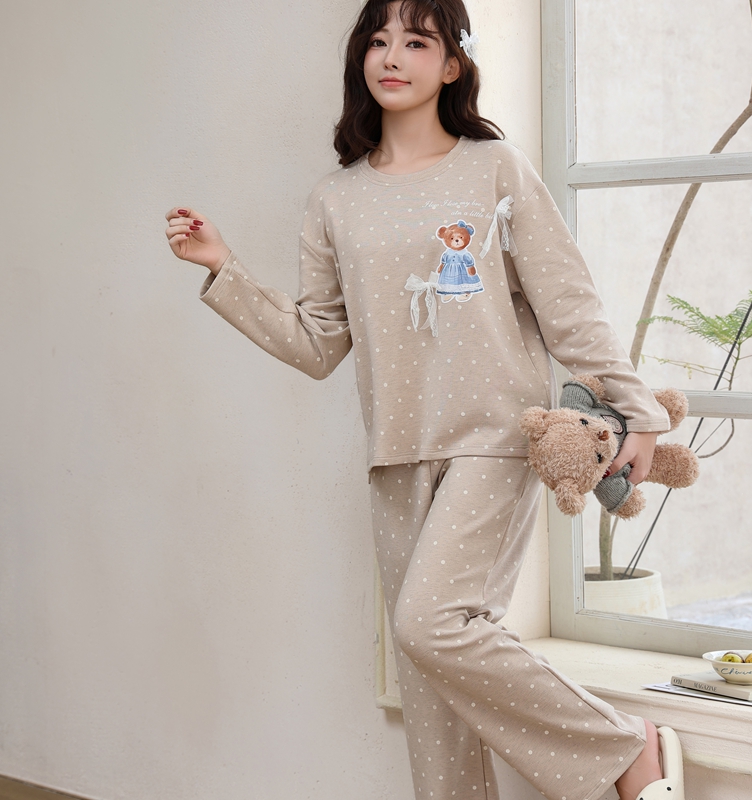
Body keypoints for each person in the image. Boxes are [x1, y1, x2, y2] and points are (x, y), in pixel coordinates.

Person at [164, 2, 685, 798]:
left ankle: (623, 748)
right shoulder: (335, 198)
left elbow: (567, 303)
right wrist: (223, 267)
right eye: (377, 41)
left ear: (452, 64)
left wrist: (638, 410)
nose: (391, 56)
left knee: (431, 623)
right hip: (397, 449)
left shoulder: (495, 169)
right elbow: (317, 344)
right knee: (430, 683)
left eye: (415, 41)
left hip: (495, 437)